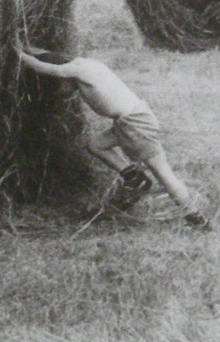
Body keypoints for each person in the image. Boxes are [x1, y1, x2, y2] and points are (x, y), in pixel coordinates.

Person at [16, 47, 209, 228]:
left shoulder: (76, 72)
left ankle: (194, 216)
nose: (62, 95)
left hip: (135, 123)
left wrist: (19, 55)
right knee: (95, 144)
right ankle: (133, 176)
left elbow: (48, 69)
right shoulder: (86, 63)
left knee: (163, 173)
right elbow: (50, 55)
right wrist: (25, 45)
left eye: (58, 90)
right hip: (128, 121)